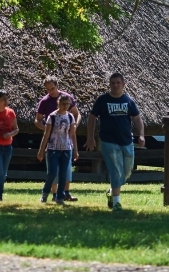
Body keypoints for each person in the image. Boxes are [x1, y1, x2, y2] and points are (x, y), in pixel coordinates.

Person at [85, 72, 145, 213]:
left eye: (118, 83)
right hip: (108, 141)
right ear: (110, 84)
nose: (115, 85)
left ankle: (112, 191)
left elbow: (137, 119)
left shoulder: (129, 101)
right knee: (116, 170)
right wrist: (90, 137)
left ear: (123, 85)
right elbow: (92, 118)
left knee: (127, 171)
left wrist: (141, 134)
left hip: (126, 141)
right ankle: (117, 203)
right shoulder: (102, 100)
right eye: (113, 83)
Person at [35, 75, 81, 201]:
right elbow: (38, 121)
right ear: (58, 104)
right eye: (48, 89)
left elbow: (76, 117)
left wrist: (74, 126)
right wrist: (49, 129)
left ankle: (63, 194)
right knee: (52, 172)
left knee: (65, 173)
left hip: (66, 145)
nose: (51, 91)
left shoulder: (69, 107)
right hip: (53, 145)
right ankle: (50, 193)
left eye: (52, 88)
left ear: (57, 85)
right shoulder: (47, 107)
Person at [0, 91, 18, 201]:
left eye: (7, 99)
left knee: (3, 173)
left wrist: (10, 134)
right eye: (3, 99)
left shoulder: (11, 113)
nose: (6, 101)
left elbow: (16, 129)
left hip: (8, 147)